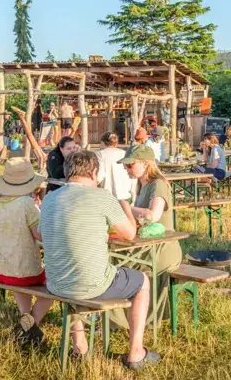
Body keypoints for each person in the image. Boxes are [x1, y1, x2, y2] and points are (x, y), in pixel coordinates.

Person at [40, 151, 158, 368]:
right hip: (90, 285)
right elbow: (129, 234)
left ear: (67, 173)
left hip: (55, 283)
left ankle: (80, 345)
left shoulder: (49, 199)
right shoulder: (102, 197)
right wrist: (125, 208)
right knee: (142, 281)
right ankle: (136, 353)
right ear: (94, 173)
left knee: (74, 268)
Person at [110, 146, 181, 329]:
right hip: (147, 245)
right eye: (126, 166)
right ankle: (117, 317)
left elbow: (152, 215)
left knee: (114, 263)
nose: (126, 169)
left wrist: (123, 206)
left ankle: (117, 320)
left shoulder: (158, 184)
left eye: (130, 165)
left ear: (145, 163)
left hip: (162, 249)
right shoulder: (143, 185)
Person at [0, 158, 52, 345]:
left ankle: (25, 317)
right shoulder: (26, 204)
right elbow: (40, 236)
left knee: (18, 274)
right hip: (25, 271)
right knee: (55, 282)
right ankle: (29, 325)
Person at [95, 132, 136, 211]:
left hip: (107, 197)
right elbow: (132, 176)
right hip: (125, 195)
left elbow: (100, 176)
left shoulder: (99, 154)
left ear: (103, 142)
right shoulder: (125, 154)